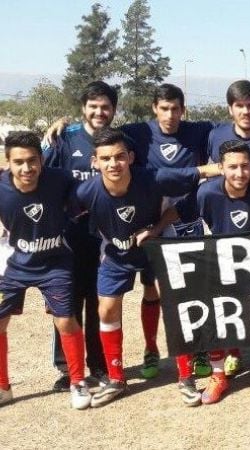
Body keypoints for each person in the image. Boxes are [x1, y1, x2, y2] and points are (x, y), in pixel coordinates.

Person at [75, 128, 224, 408]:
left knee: (178, 303)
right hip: (117, 252)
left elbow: (201, 171)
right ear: (95, 162)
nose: (113, 164)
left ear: (131, 157)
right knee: (106, 308)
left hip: (159, 242)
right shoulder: (86, 191)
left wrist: (156, 228)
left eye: (120, 156)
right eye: (105, 158)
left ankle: (185, 376)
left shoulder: (153, 178)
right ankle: (116, 379)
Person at [0, 132, 92, 410]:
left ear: (41, 160)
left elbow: (87, 195)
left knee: (65, 321)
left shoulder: (60, 179)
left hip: (55, 264)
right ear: (8, 163)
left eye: (32, 161)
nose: (26, 168)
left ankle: (77, 382)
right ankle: (3, 387)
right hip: (13, 266)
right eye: (18, 162)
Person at [192, 140, 250, 404]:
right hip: (223, 265)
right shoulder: (206, 194)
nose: (239, 173)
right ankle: (218, 374)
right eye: (232, 167)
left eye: (245, 166)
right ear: (220, 168)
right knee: (213, 311)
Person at [42, 80, 113, 391]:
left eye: (105, 106)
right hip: (68, 236)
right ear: (83, 108)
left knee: (100, 301)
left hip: (104, 236)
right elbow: (41, 178)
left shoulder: (115, 141)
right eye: (93, 106)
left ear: (113, 109)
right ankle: (68, 368)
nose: (99, 112)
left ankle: (98, 364)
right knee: (66, 303)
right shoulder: (64, 138)